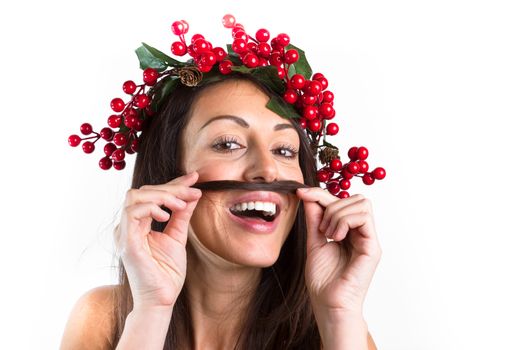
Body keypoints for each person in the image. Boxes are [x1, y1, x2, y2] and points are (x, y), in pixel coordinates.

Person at [61, 15, 384, 350]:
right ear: (168, 175)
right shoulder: (102, 319)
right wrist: (152, 309)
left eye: (285, 149)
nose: (269, 171)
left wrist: (338, 315)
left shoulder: (342, 335)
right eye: (228, 143)